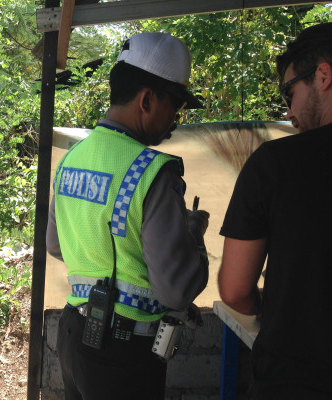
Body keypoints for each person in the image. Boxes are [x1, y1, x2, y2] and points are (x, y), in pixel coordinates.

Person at [46, 32, 210, 400]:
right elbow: (176, 290)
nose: (176, 119)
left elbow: (56, 245)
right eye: (175, 105)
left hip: (73, 338)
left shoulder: (72, 158)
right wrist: (193, 235)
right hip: (123, 356)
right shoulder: (154, 172)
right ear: (148, 99)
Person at [218, 23, 332, 400]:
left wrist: (265, 310)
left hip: (294, 381)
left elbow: (235, 290)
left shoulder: (275, 164)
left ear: (323, 75)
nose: (289, 111)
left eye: (290, 92)